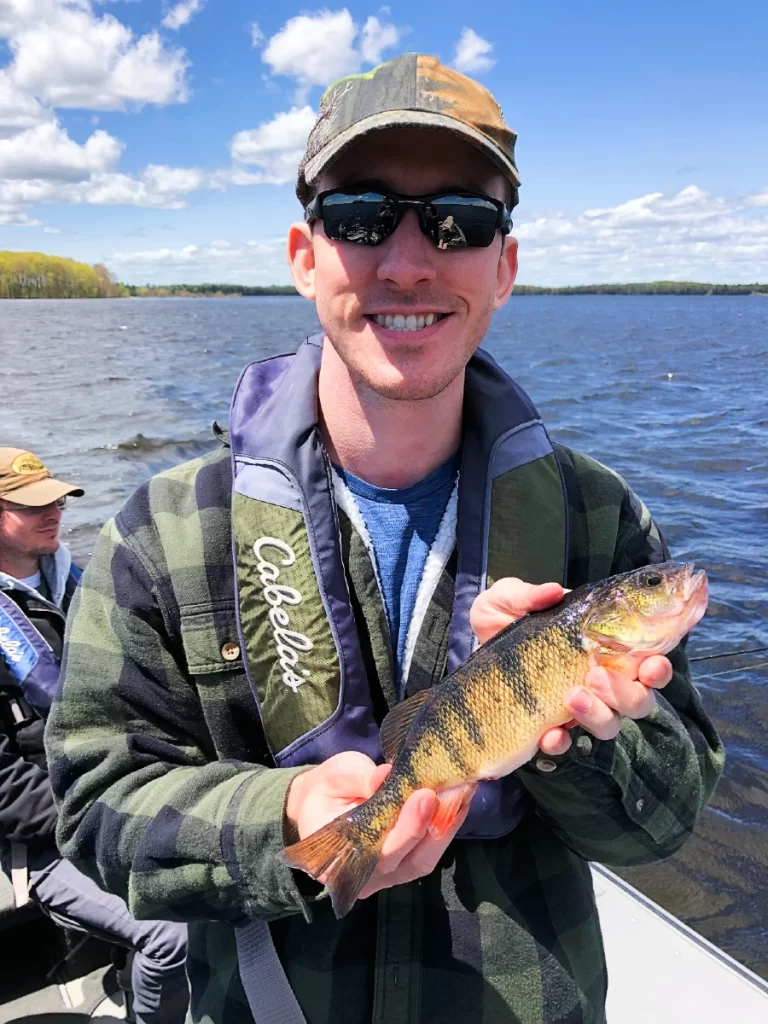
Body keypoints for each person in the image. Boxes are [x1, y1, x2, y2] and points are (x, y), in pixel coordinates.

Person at [45, 54, 723, 1024]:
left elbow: (672, 816)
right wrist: (280, 815)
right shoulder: (162, 533)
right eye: (362, 215)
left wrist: (588, 745)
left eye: (460, 220)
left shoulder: (597, 521)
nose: (408, 261)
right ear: (304, 254)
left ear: (507, 265)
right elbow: (92, 804)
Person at [0, 447, 189, 1024]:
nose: (54, 510)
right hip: (46, 840)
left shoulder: (84, 585)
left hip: (127, 795)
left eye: (56, 498)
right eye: (32, 505)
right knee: (173, 935)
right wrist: (108, 812)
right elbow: (5, 790)